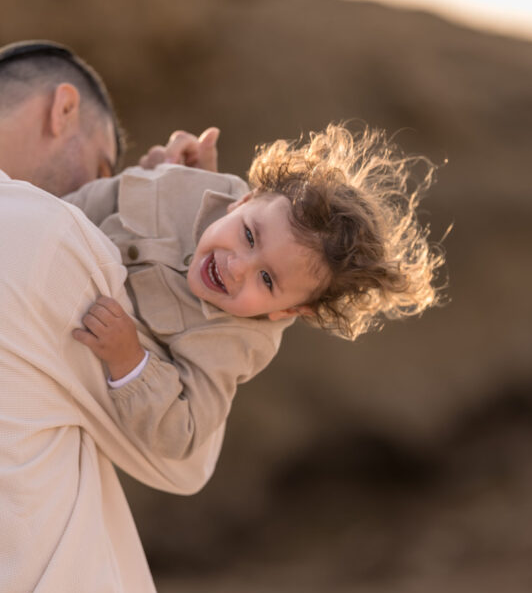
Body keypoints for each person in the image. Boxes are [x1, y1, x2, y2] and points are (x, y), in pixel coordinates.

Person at [0, 41, 223, 593]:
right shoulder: (45, 234)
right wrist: (181, 223)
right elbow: (181, 457)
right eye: (101, 169)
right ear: (63, 109)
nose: (87, 196)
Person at [64, 123, 442, 462]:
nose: (236, 267)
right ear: (243, 200)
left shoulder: (233, 342)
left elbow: (183, 435)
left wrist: (129, 361)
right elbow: (98, 199)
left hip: (74, 353)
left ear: (291, 310)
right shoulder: (187, 187)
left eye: (267, 280)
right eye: (248, 236)